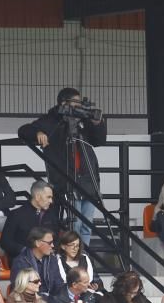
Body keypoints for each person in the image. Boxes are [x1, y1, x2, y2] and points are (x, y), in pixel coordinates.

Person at [18, 87, 107, 245]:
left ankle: (82, 257)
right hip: (67, 180)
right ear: (64, 103)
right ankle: (72, 256)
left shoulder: (83, 121)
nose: (80, 106)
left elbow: (99, 141)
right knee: (76, 225)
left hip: (88, 180)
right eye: (76, 103)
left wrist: (97, 123)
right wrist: (38, 133)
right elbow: (23, 130)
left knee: (87, 226)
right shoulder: (52, 120)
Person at [1, 180, 58, 260]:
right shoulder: (16, 214)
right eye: (48, 197)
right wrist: (24, 250)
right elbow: (5, 241)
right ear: (37, 197)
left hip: (47, 260)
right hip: (22, 260)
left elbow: (56, 238)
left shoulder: (51, 215)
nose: (51, 201)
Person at [10, 227, 64, 298]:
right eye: (49, 243)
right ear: (37, 243)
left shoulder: (52, 260)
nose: (52, 245)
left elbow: (58, 284)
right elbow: (23, 291)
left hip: (52, 302)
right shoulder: (20, 262)